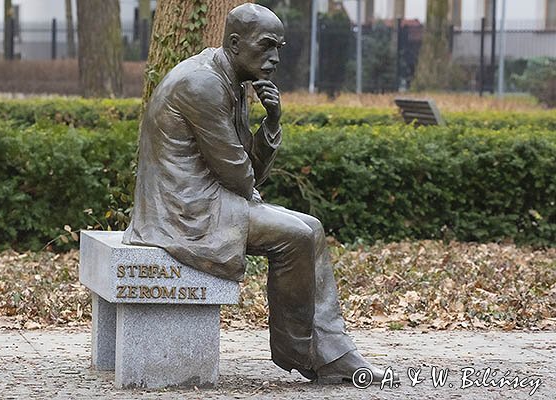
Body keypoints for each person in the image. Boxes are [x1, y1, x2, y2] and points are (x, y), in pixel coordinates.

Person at [123, 3, 389, 384]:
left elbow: (246, 173)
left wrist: (272, 123)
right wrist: (251, 187)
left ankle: (331, 351)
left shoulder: (230, 80)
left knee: (310, 226)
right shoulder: (202, 84)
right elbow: (238, 174)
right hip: (185, 210)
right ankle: (306, 354)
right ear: (234, 42)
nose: (274, 58)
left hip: (207, 196)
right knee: (296, 236)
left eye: (278, 48)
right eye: (266, 46)